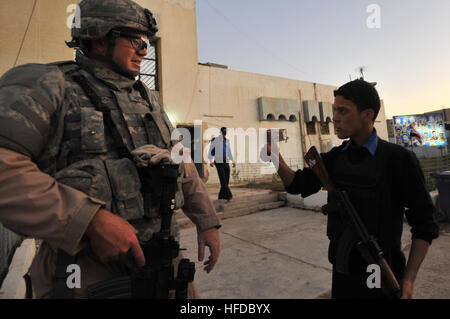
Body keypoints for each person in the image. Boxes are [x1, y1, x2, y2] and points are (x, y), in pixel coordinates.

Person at [0, 0, 221, 299]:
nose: (144, 50)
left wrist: (206, 222)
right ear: (99, 39)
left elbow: (180, 163)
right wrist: (88, 220)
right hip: (86, 272)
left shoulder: (148, 99)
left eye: (146, 41)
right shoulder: (50, 85)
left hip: (162, 262)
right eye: (134, 39)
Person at [262, 79, 439, 299]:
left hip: (380, 269)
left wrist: (409, 280)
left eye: (343, 111)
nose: (335, 117)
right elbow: (297, 184)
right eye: (334, 110)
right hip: (344, 272)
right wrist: (274, 158)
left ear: (367, 114)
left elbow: (425, 225)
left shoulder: (398, 159)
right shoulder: (335, 158)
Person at [208, 127, 236, 200]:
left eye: (225, 133)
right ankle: (228, 195)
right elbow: (211, 151)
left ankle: (221, 196)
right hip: (218, 162)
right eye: (223, 133)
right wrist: (211, 160)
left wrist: (233, 161)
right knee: (223, 179)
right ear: (220, 133)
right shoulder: (215, 140)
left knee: (226, 180)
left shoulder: (227, 141)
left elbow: (229, 151)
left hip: (226, 161)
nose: (224, 135)